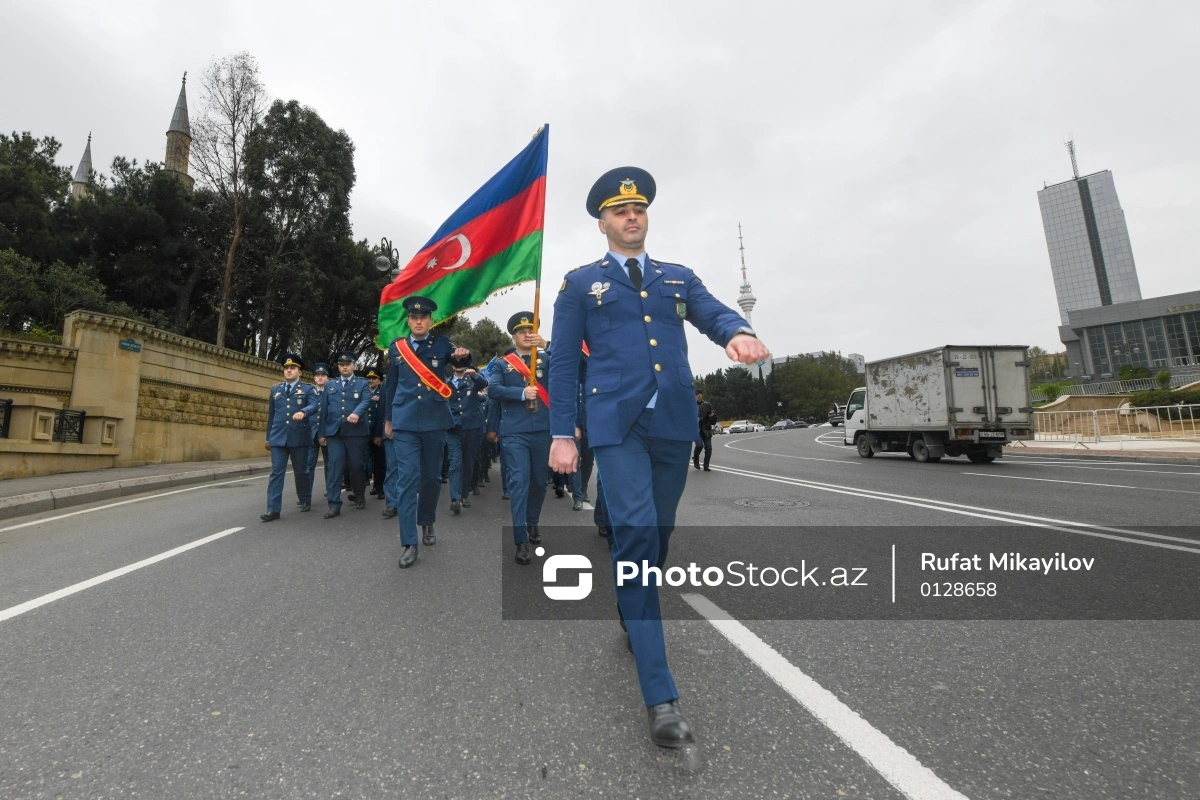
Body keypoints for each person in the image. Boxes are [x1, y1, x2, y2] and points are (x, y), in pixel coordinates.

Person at [547, 167, 770, 751]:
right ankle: (661, 698)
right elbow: (563, 363)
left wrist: (736, 332)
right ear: (602, 224)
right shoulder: (580, 284)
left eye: (639, 209)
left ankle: (631, 602)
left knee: (659, 535)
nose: (632, 216)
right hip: (615, 426)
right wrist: (562, 433)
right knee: (638, 535)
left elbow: (714, 312)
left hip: (671, 422)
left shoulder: (678, 277)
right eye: (620, 211)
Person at [383, 296, 469, 569]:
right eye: (414, 317)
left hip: (434, 420)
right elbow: (391, 385)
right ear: (408, 321)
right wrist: (388, 419)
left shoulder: (442, 344)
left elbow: (460, 359)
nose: (418, 321)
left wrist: (464, 355)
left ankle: (427, 520)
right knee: (407, 480)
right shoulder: (397, 348)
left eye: (423, 318)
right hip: (405, 421)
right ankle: (409, 542)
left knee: (431, 478)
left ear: (431, 321)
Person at [487, 312, 551, 565]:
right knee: (519, 482)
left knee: (539, 482)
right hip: (515, 432)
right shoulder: (503, 364)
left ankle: (533, 521)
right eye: (521, 331)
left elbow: (571, 365)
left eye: (530, 331)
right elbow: (493, 389)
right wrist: (522, 392)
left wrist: (546, 345)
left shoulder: (547, 359)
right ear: (513, 337)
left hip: (543, 429)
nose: (526, 334)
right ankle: (520, 537)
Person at [261, 353, 319, 521]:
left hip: (299, 437)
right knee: (276, 473)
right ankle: (273, 509)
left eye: (292, 368)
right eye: (286, 368)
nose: (288, 370)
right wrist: (268, 438)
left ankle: (305, 498)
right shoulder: (275, 390)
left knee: (301, 471)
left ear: (299, 372)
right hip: (278, 438)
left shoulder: (308, 389)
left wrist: (303, 412)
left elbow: (314, 405)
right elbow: (272, 416)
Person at [318, 351, 372, 519]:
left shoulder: (362, 383)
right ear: (338, 367)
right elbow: (324, 410)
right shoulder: (330, 385)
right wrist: (322, 433)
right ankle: (334, 504)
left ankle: (359, 494)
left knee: (356, 466)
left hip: (356, 433)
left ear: (354, 365)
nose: (345, 367)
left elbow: (366, 400)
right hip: (335, 433)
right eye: (342, 365)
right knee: (334, 467)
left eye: (348, 364)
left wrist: (356, 413)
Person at [446, 351, 487, 514]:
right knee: (455, 462)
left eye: (462, 362)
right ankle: (455, 498)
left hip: (471, 426)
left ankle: (464, 494)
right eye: (456, 362)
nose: (459, 365)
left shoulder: (473, 380)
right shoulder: (446, 382)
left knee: (468, 461)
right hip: (453, 428)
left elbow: (484, 383)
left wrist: (474, 374)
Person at [303, 362, 331, 503]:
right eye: (317, 375)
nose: (320, 378)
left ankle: (331, 492)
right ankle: (306, 495)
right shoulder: (308, 392)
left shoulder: (332, 392)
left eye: (323, 375)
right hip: (311, 433)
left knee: (329, 465)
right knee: (308, 465)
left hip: (327, 433)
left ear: (327, 378)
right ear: (314, 378)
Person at [364, 368, 387, 498]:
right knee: (362, 461)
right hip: (364, 431)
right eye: (369, 378)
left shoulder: (383, 392)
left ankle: (379, 488)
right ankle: (360, 490)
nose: (371, 380)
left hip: (377, 431)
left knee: (379, 462)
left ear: (379, 381)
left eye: (374, 378)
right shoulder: (363, 391)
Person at [693, 389, 716, 471]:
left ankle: (706, 465)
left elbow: (713, 417)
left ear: (702, 395)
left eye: (699, 394)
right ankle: (696, 459)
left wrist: (712, 415)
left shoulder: (707, 404)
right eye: (696, 394)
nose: (698, 395)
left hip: (706, 429)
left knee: (708, 447)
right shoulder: (691, 405)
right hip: (696, 429)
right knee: (699, 445)